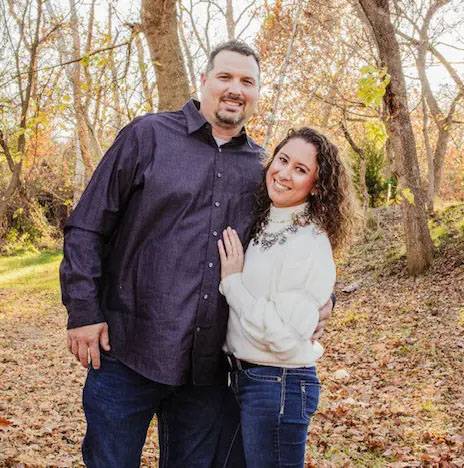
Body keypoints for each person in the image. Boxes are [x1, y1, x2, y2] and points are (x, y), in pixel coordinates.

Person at [60, 40, 333, 468]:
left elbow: (293, 239)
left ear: (257, 94)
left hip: (206, 370)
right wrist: (82, 311)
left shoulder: (262, 168)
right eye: (225, 77)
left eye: (247, 81)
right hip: (127, 350)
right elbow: (87, 226)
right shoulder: (146, 137)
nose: (235, 89)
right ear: (203, 81)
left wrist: (325, 299)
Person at [217, 127, 354, 468]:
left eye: (300, 169)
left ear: (318, 185)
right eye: (282, 160)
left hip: (278, 385)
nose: (284, 174)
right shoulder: (266, 220)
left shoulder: (310, 241)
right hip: (242, 378)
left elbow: (282, 336)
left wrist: (232, 283)